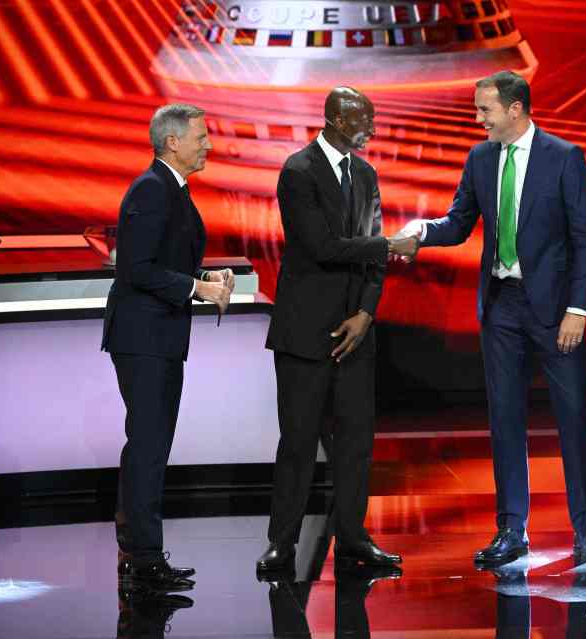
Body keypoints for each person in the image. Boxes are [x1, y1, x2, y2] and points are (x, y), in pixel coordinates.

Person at [400, 71, 586, 564]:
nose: (478, 120)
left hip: (557, 310)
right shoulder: (480, 158)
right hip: (502, 307)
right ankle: (511, 531)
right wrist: (421, 231)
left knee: (573, 419)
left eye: (484, 110)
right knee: (505, 419)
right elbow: (457, 224)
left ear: (515, 109)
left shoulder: (564, 158)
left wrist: (578, 309)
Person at [256, 87, 416, 573]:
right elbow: (320, 247)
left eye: (371, 119)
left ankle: (352, 538)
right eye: (360, 120)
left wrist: (366, 314)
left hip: (356, 333)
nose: (369, 128)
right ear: (333, 119)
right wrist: (388, 244)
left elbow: (371, 260)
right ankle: (282, 543)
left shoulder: (366, 174)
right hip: (306, 333)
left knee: (356, 442)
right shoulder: (298, 172)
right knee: (299, 442)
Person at [102, 103, 233, 590]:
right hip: (144, 339)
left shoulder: (169, 188)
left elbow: (163, 261)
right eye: (201, 136)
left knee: (149, 445)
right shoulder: (152, 189)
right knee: (149, 447)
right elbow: (135, 269)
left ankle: (137, 549)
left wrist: (201, 276)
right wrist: (197, 289)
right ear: (172, 142)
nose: (208, 144)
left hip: (158, 336)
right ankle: (144, 557)